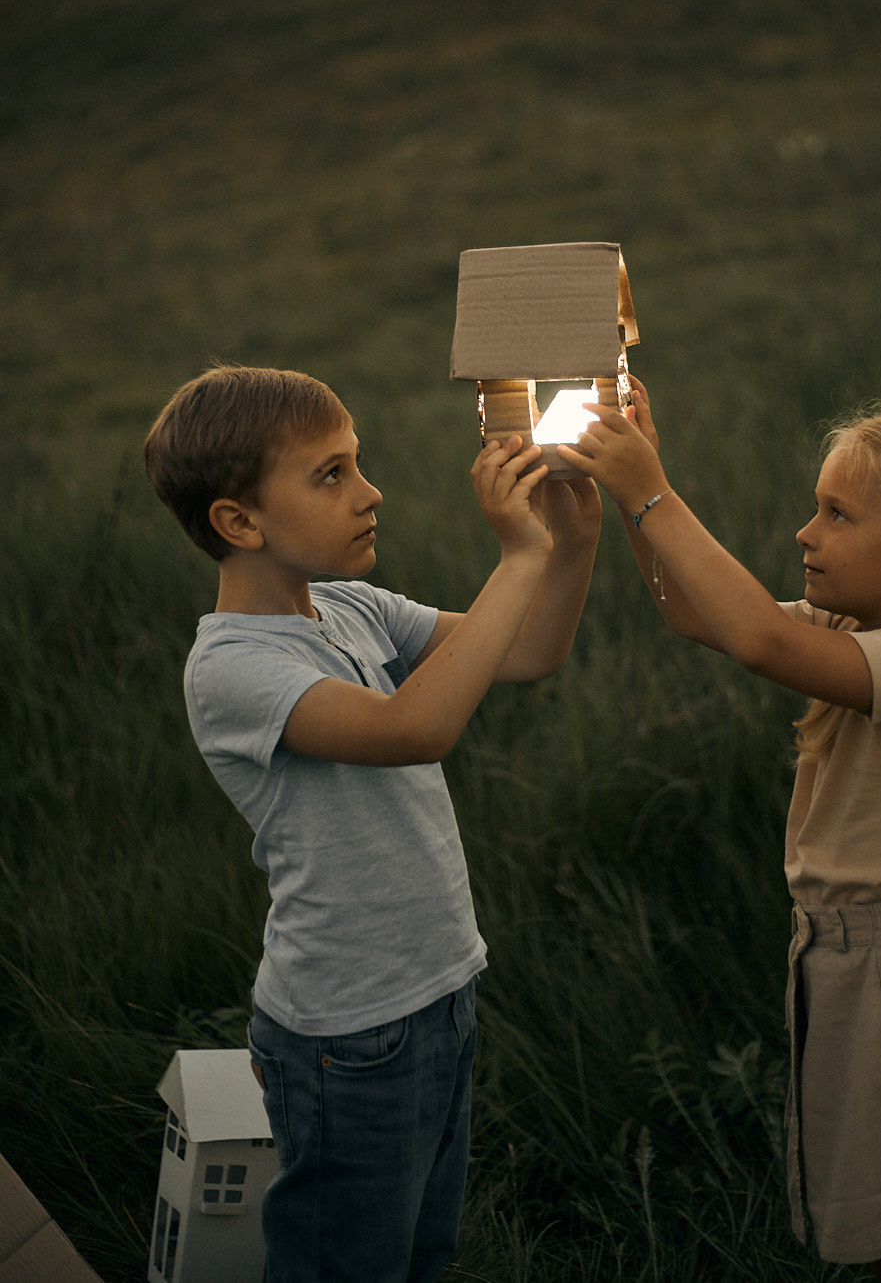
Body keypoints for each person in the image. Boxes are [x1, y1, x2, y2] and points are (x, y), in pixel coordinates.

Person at [557, 382, 881, 1283]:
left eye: (836, 514)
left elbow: (760, 643)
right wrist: (631, 489)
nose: (804, 532)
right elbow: (693, 612)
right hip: (853, 967)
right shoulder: (856, 630)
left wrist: (652, 493)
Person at [143, 363, 601, 1283]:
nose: (369, 491)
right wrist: (516, 558)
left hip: (439, 992)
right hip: (344, 1038)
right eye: (331, 475)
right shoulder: (229, 668)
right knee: (345, 1267)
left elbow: (530, 650)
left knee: (416, 1256)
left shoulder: (352, 609)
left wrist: (568, 541)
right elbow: (413, 729)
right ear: (239, 522)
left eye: (357, 464)